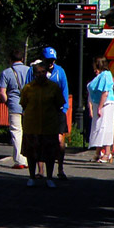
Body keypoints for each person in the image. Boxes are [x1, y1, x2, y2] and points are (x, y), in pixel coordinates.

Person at [21, 60, 64, 187]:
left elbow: (59, 104)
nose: (41, 75)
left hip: (49, 126)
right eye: (38, 73)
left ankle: (49, 178)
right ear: (34, 74)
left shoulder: (53, 87)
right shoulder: (28, 88)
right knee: (31, 153)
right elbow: (23, 104)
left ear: (46, 73)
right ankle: (31, 177)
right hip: (32, 125)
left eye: (43, 72)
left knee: (50, 154)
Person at [0, 51, 30, 170]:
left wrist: (7, 102)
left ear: (10, 59)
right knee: (29, 131)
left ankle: (20, 160)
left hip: (14, 105)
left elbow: (2, 93)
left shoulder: (6, 72)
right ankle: (31, 158)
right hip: (29, 106)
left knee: (16, 132)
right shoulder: (29, 71)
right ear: (22, 58)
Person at [41, 46, 71, 179]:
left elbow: (65, 90)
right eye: (48, 60)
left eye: (52, 60)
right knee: (40, 140)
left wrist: (64, 109)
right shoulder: (36, 71)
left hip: (57, 110)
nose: (50, 63)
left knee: (59, 141)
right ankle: (40, 171)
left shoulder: (60, 72)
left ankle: (60, 168)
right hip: (42, 110)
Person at [88, 57, 114, 164]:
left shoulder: (106, 75)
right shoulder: (100, 76)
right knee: (98, 127)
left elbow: (105, 92)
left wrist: (100, 107)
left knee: (105, 128)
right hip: (100, 104)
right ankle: (98, 153)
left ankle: (107, 153)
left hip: (106, 104)